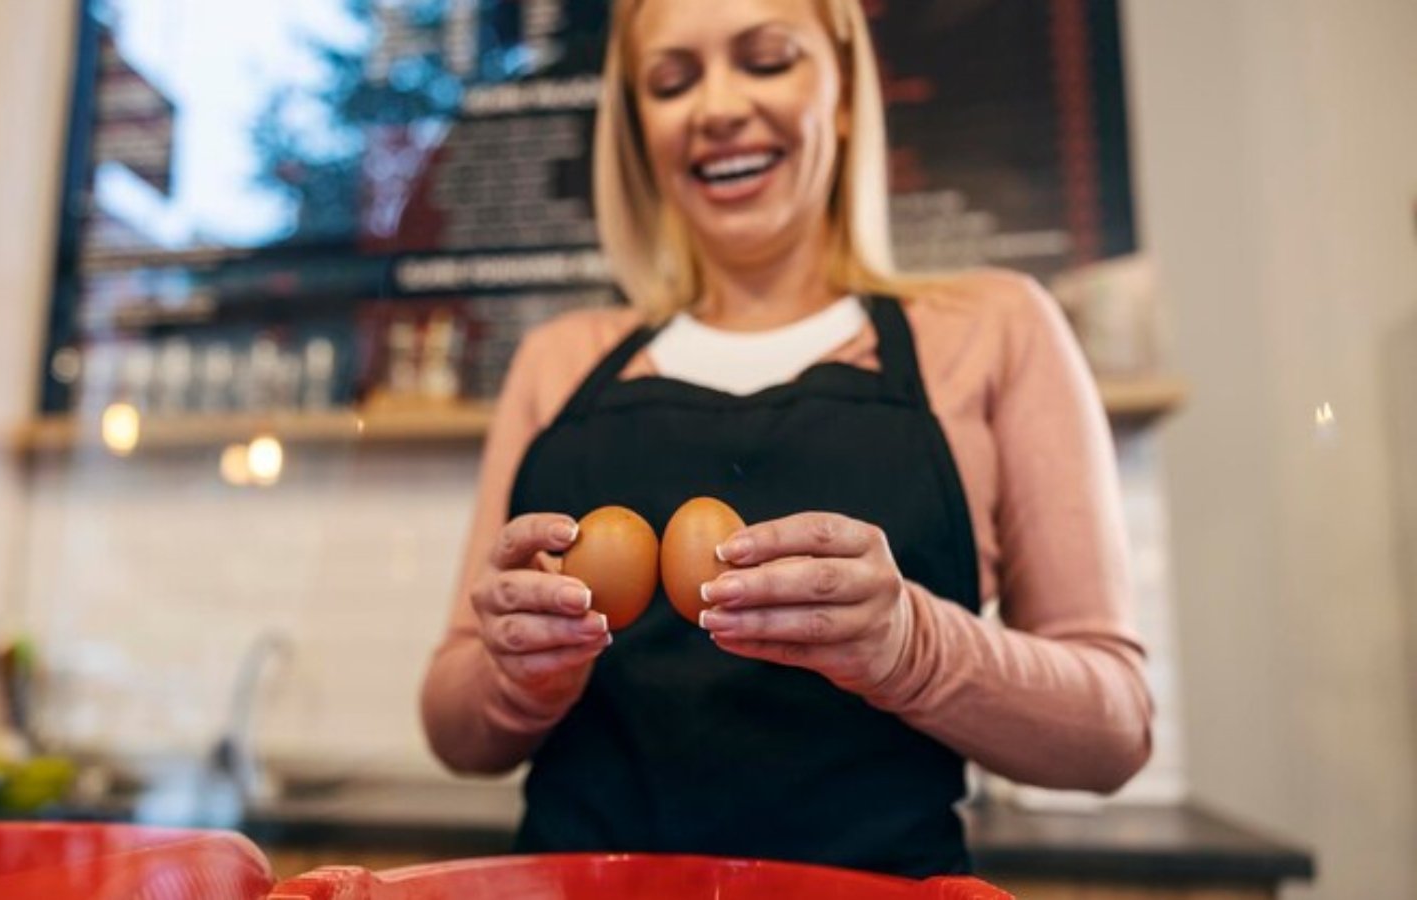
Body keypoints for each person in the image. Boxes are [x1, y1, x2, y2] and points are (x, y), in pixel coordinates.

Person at [420, 0, 1152, 877]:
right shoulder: (559, 361)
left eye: (765, 61)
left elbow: (1115, 731)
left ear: (843, 93)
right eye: (671, 81)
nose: (718, 107)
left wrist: (911, 647)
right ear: (639, 127)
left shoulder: (993, 329)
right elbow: (456, 735)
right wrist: (519, 675)